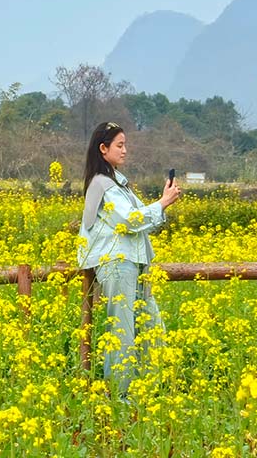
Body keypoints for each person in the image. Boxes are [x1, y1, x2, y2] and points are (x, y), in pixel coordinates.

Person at [77, 121, 181, 394]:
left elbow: (139, 222)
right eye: (119, 145)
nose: (125, 150)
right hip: (117, 264)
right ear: (103, 149)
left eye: (125, 144)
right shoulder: (103, 185)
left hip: (134, 264)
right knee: (122, 332)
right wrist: (162, 203)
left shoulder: (118, 185)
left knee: (151, 327)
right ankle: (120, 398)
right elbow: (130, 220)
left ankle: (149, 392)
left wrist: (161, 203)